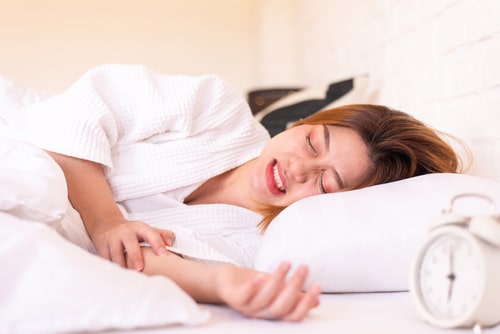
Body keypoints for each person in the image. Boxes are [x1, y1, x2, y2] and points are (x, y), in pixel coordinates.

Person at [10, 64, 464, 321]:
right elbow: (84, 111)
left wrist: (223, 285)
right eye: (311, 142)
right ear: (302, 123)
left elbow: (143, 259)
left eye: (326, 182)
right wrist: (106, 220)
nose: (298, 168)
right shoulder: (218, 108)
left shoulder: (260, 242)